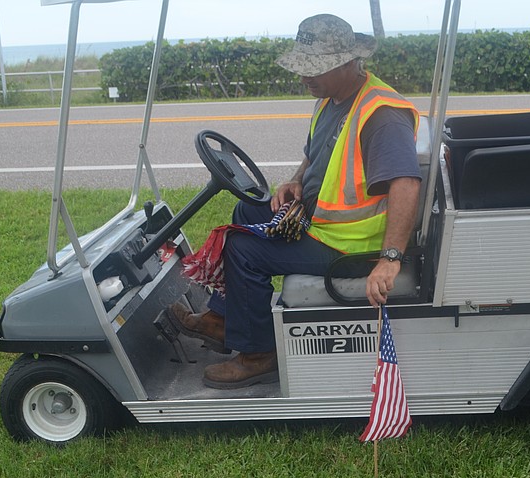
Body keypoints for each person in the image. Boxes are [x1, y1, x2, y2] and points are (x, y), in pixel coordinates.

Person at [170, 13, 422, 389]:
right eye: (302, 67)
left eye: (314, 68)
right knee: (248, 210)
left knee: (242, 247)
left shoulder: (381, 115)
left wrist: (389, 261)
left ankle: (258, 354)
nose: (304, 76)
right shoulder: (331, 98)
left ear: (349, 62)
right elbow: (317, 154)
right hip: (323, 222)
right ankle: (223, 321)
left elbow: (406, 184)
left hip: (353, 246)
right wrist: (295, 181)